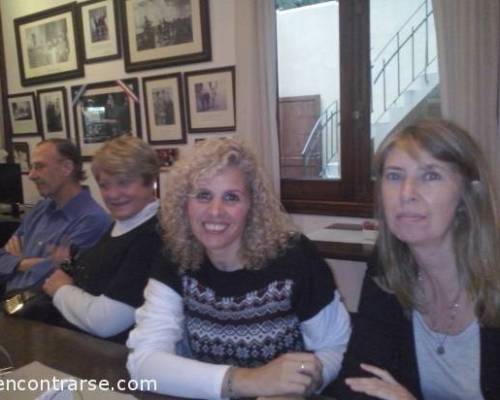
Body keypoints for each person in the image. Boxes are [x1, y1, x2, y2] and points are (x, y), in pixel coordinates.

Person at [127, 138, 351, 399]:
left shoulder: (295, 257)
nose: (215, 211)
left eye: (231, 197)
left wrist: (302, 383)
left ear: (252, 207)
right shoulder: (174, 255)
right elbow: (143, 363)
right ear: (184, 204)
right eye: (203, 195)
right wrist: (248, 381)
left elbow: (336, 346)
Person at [325, 119, 500, 399]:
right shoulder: (387, 269)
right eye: (394, 176)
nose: (406, 194)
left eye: (430, 176)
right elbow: (359, 379)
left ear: (468, 194)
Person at [42, 136, 162, 343]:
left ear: (151, 181)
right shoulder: (123, 224)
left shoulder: (153, 237)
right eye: (105, 185)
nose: (113, 194)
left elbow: (106, 321)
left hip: (113, 359)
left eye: (124, 182)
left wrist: (61, 289)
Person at [0, 139, 111, 297]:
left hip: (38, 313)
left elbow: (50, 280)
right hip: (10, 305)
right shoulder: (40, 209)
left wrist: (16, 261)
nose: (31, 175)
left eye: (39, 167)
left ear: (67, 168)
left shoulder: (92, 221)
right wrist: (23, 263)